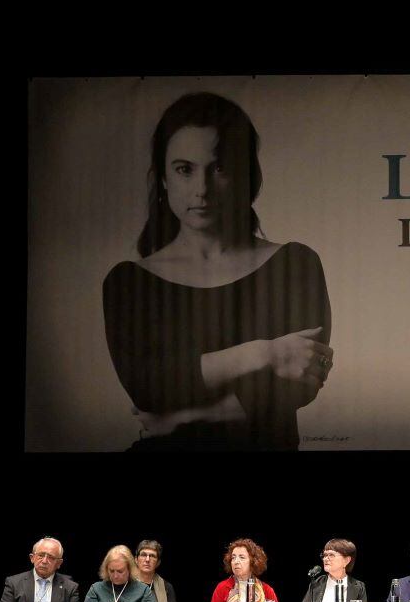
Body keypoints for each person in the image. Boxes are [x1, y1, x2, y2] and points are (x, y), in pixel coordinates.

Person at [102, 91, 334, 451]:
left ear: (246, 175)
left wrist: (182, 416)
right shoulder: (129, 282)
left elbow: (301, 383)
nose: (202, 189)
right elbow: (148, 387)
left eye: (220, 168)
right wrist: (264, 353)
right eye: (184, 169)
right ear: (164, 179)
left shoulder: (296, 264)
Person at [209, 538, 280, 602]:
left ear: (253, 562)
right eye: (233, 557)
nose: (236, 561)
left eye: (242, 557)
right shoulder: (222, 588)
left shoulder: (267, 590)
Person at [301, 538, 369, 602]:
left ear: (346, 560)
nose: (325, 559)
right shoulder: (316, 584)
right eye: (324, 555)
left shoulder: (359, 587)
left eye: (331, 555)